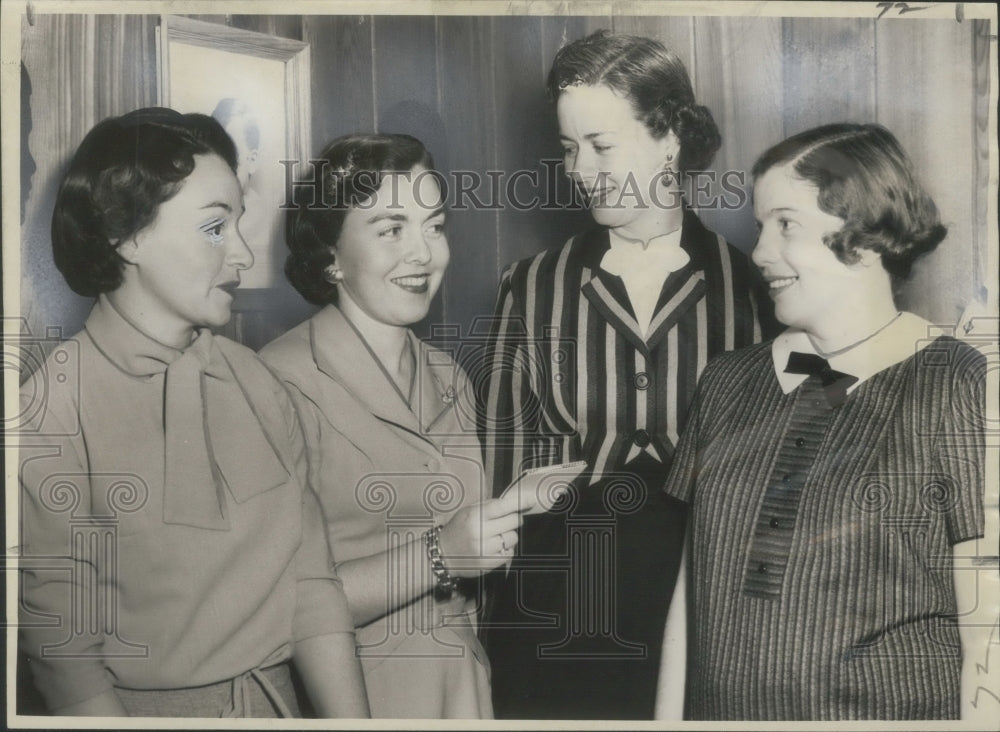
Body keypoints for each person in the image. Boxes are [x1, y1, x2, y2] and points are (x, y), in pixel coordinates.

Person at [17, 108, 370, 718]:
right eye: (214, 228)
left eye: (239, 224)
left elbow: (312, 587)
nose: (241, 253)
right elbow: (67, 662)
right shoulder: (48, 416)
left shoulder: (256, 381)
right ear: (126, 235)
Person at [478, 30, 773, 720]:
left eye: (601, 145)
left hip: (708, 613)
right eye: (568, 148)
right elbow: (499, 471)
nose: (580, 169)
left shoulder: (754, 289)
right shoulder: (531, 286)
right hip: (558, 627)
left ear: (668, 137)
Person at [663, 122, 987, 720]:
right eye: (761, 226)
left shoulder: (958, 384)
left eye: (785, 224)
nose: (759, 252)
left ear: (863, 236)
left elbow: (987, 635)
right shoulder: (727, 383)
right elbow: (690, 598)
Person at [259, 133, 554, 719]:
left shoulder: (451, 376)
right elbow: (279, 608)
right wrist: (442, 554)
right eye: (392, 229)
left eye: (435, 225)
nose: (423, 253)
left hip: (464, 693)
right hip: (352, 701)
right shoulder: (274, 383)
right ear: (332, 255)